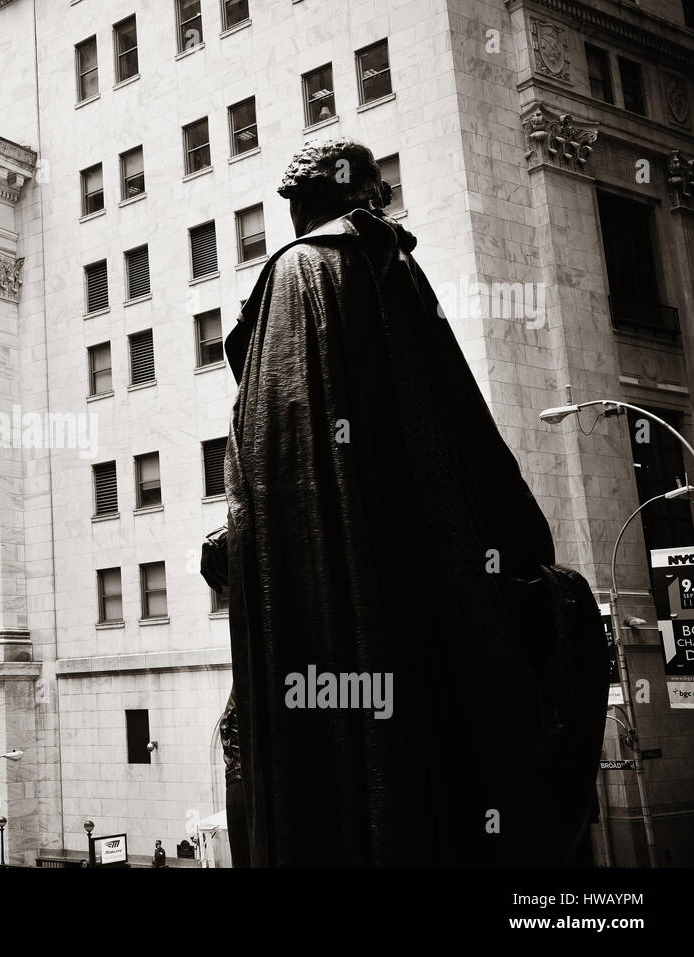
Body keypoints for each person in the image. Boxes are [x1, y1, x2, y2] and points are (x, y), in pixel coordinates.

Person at [218, 138, 608, 867]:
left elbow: (275, 466)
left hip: (331, 628)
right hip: (418, 613)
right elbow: (467, 440)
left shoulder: (300, 274)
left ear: (314, 200)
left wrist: (238, 544)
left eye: (295, 203)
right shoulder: (397, 273)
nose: (290, 217)